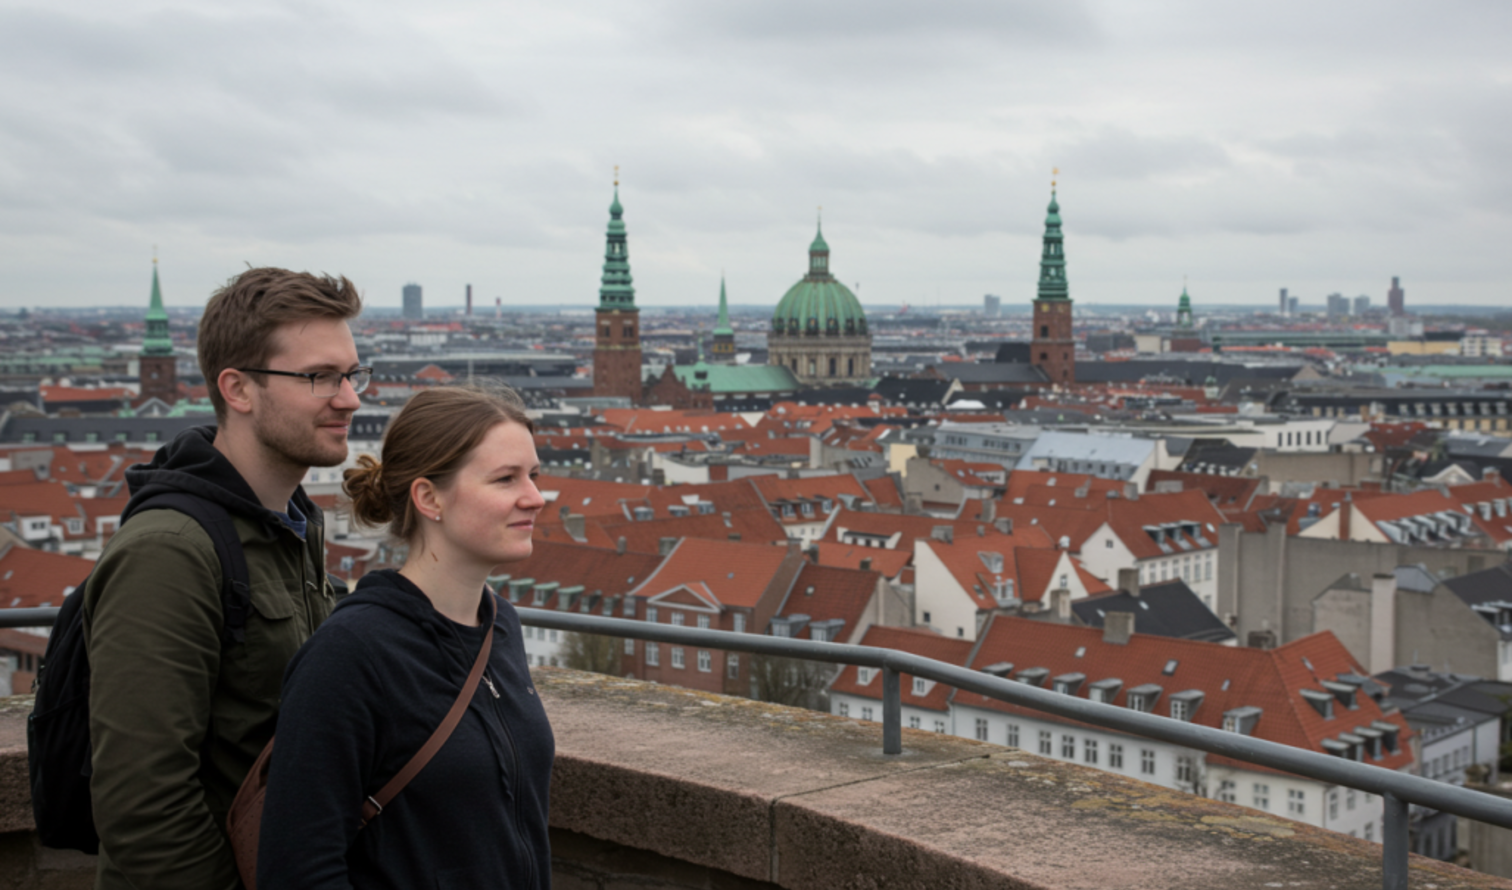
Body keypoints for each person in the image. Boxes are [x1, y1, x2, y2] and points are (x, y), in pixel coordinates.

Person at [84, 268, 366, 889]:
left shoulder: (293, 526)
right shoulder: (169, 551)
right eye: (320, 377)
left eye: (351, 374)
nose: (349, 398)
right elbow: (143, 806)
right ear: (237, 389)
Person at [257, 385, 554, 890]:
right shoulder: (351, 653)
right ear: (428, 498)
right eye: (506, 479)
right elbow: (297, 869)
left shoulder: (499, 625)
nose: (535, 497)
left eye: (533, 475)